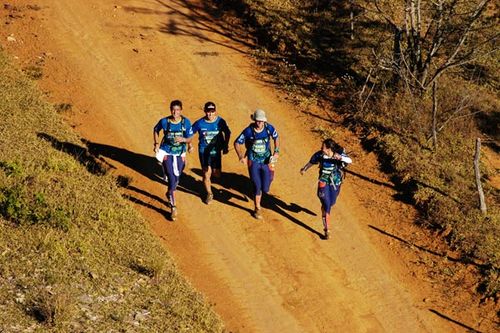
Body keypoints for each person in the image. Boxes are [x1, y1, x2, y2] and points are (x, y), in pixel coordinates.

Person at [300, 138, 352, 239]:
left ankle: (324, 210)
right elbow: (311, 162)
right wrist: (304, 169)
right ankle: (327, 229)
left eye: (323, 147)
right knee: (327, 204)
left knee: (332, 202)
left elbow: (349, 160)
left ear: (329, 149)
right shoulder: (319, 155)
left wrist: (340, 157)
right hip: (323, 181)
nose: (321, 149)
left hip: (335, 182)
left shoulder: (338, 154)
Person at [234, 109, 280, 219]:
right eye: (258, 121)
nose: (259, 123)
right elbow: (236, 142)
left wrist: (276, 151)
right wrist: (240, 156)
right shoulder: (248, 131)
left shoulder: (269, 128)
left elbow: (276, 137)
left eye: (262, 121)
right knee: (257, 186)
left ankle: (270, 174)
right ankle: (257, 208)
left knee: (266, 188)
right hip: (253, 161)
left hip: (266, 160)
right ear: (254, 120)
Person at [153, 100, 194, 221]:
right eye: (173, 109)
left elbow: (190, 136)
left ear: (181, 110)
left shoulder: (185, 122)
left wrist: (186, 142)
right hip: (166, 151)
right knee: (172, 177)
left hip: (180, 152)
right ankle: (173, 206)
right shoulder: (164, 121)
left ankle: (169, 192)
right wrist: (156, 143)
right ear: (170, 109)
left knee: (177, 178)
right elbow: (156, 129)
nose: (175, 112)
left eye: (177, 110)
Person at [189, 101, 231, 204]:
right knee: (206, 173)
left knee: (217, 174)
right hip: (204, 152)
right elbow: (189, 133)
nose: (210, 114)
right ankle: (209, 193)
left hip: (216, 152)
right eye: (208, 111)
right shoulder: (199, 123)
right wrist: (189, 145)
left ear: (215, 111)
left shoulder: (220, 121)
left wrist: (225, 145)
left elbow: (227, 132)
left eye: (212, 111)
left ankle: (209, 179)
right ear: (205, 111)